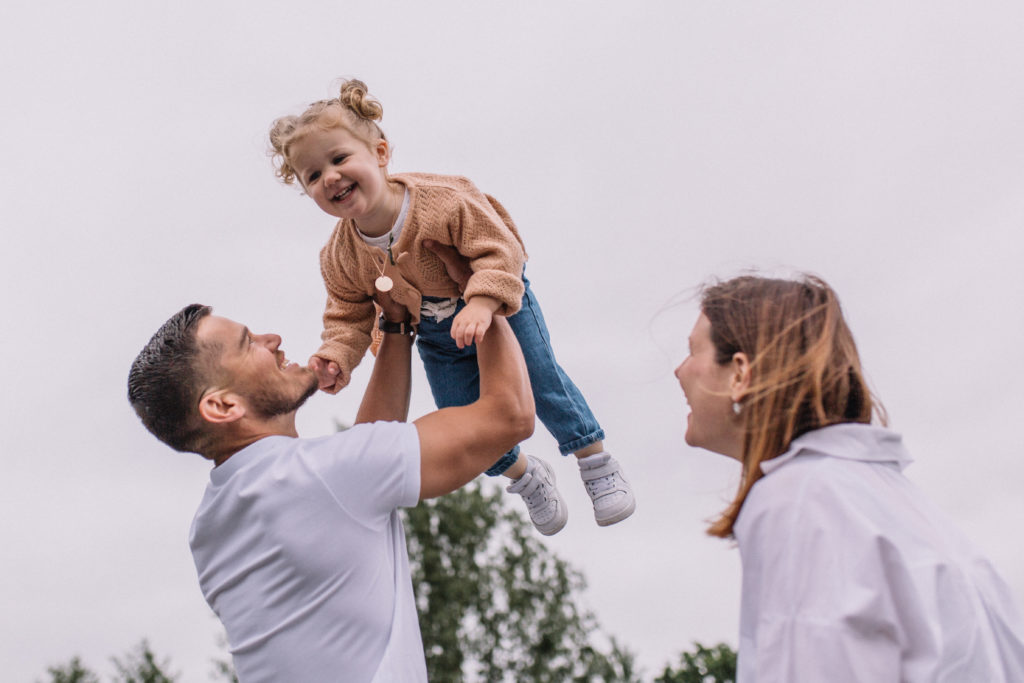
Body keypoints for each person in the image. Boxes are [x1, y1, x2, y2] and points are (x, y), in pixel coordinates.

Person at [126, 269, 534, 682]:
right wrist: (479, 283)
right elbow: (510, 416)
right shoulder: (322, 478)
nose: (273, 340)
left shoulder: (211, 529)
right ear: (223, 406)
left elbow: (357, 481)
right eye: (249, 344)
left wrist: (393, 330)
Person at [266, 78, 634, 534]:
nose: (331, 178)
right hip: (436, 334)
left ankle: (594, 461)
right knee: (459, 414)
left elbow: (500, 248)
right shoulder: (339, 255)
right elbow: (347, 314)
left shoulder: (443, 201)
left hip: (499, 304)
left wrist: (481, 301)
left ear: (380, 153)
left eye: (339, 159)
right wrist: (336, 357)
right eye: (313, 176)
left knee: (542, 379)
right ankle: (525, 476)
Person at [675, 273, 1024, 682]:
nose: (679, 371)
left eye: (692, 351)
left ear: (739, 373)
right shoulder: (890, 502)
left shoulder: (800, 500)